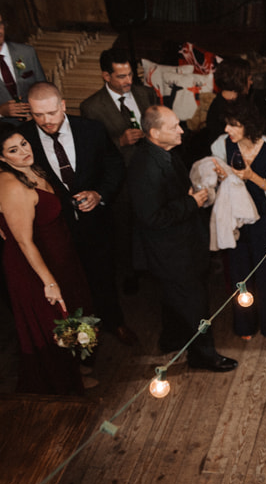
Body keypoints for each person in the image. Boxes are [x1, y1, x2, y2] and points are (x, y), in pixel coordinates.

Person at [21, 82, 135, 345]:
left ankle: (115, 322)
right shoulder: (23, 139)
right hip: (54, 229)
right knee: (69, 284)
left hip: (95, 223)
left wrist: (99, 194)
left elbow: (114, 164)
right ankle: (79, 338)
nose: (46, 121)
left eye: (51, 113)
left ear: (62, 105)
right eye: (38, 115)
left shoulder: (90, 129)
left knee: (103, 276)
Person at [129, 105, 238, 372]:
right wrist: (191, 202)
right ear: (154, 133)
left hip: (182, 243)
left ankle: (172, 338)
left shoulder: (165, 152)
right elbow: (151, 217)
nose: (181, 130)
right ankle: (203, 355)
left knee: (175, 298)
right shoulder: (144, 167)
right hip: (170, 251)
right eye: (174, 126)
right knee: (194, 302)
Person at [0, 123, 92, 393]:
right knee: (53, 324)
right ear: (2, 158)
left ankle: (75, 368)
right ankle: (62, 383)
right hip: (34, 268)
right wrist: (49, 282)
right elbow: (23, 241)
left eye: (23, 144)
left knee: (71, 314)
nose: (24, 152)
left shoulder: (32, 169)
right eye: (13, 150)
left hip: (58, 254)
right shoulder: (12, 185)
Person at [211, 99, 266, 338]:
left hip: (262, 217)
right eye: (226, 124)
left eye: (233, 125)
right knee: (239, 273)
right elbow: (215, 183)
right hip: (235, 217)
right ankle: (244, 325)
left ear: (248, 125)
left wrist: (251, 176)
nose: (227, 130)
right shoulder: (220, 145)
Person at [80, 48, 160, 293]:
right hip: (122, 179)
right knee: (125, 228)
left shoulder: (146, 94)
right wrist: (120, 141)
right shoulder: (91, 107)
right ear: (106, 76)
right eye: (121, 77)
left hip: (151, 173)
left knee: (155, 222)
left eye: (130, 75)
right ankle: (129, 273)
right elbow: (93, 150)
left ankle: (157, 266)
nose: (128, 81)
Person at [0, 13, 45, 124]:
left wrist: (37, 113)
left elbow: (43, 89)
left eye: (0, 24)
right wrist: (1, 112)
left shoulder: (26, 53)